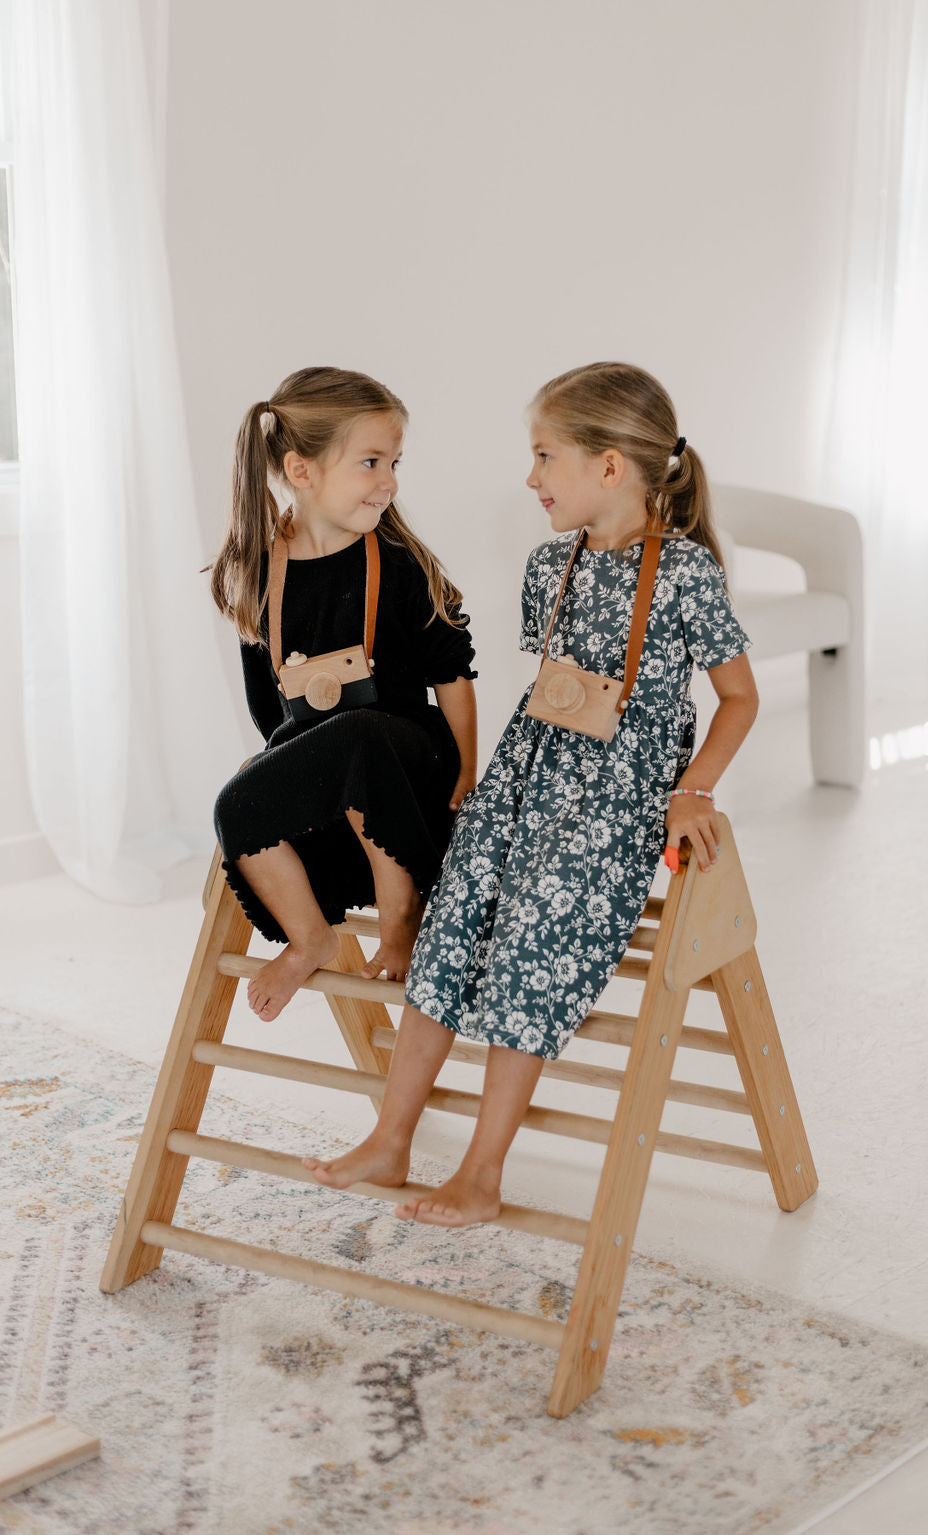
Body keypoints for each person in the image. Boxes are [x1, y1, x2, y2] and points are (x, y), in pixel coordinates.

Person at [303, 361, 758, 1226]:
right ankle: (391, 1135)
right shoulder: (550, 562)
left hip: (610, 809)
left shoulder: (689, 576)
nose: (532, 476)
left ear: (610, 465)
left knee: (529, 947)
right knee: (449, 930)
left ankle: (481, 1171)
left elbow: (740, 696)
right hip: (525, 780)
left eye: (546, 456)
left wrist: (692, 788)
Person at [210, 366, 477, 1022]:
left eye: (393, 462)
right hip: (330, 774)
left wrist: (469, 770)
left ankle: (402, 911)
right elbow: (268, 706)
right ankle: (310, 936)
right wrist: (276, 769)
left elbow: (451, 672)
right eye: (370, 462)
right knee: (234, 806)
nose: (388, 480)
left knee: (360, 734)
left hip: (411, 765)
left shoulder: (397, 561)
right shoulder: (257, 572)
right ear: (302, 471)